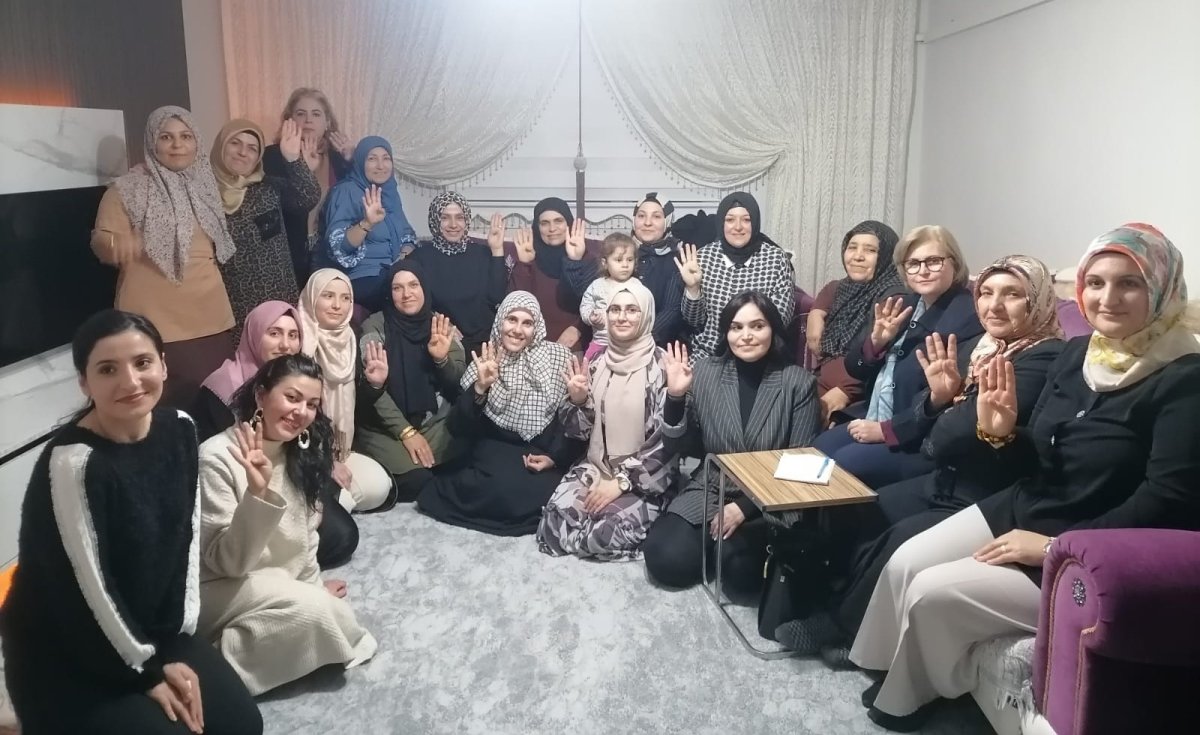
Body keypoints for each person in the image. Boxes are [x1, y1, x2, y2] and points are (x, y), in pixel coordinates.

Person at [849, 224, 1200, 732]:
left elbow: (1168, 499)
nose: (1107, 298)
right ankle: (880, 665)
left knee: (930, 590)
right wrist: (1001, 434)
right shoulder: (1080, 354)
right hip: (1025, 501)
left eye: (1129, 283)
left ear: (1162, 289)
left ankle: (906, 700)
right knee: (905, 560)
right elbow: (1036, 451)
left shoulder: (1184, 378)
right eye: (1096, 282)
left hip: (1083, 541)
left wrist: (1056, 547)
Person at [775, 255, 1064, 658]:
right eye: (986, 293)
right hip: (949, 472)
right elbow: (929, 405)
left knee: (898, 536)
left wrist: (941, 413)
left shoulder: (1045, 356)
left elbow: (954, 431)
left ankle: (844, 629)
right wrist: (939, 402)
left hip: (987, 491)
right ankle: (841, 598)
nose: (995, 305)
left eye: (1012, 294)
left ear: (1038, 300)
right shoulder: (983, 347)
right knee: (862, 507)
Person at [0, 309, 262, 734]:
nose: (130, 381)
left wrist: (176, 640)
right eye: (107, 369)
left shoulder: (180, 429)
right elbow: (85, 591)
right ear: (84, 382)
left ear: (163, 365)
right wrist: (145, 673)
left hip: (148, 629)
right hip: (65, 650)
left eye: (142, 363)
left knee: (241, 725)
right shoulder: (75, 463)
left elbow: (184, 542)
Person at [198, 354, 378, 696]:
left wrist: (312, 587)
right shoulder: (217, 456)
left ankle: (234, 646)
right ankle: (209, 675)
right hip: (221, 587)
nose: (301, 412)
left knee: (327, 611)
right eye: (292, 398)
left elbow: (305, 540)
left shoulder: (299, 452)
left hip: (275, 583)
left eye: (311, 404)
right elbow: (226, 564)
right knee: (319, 614)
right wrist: (258, 494)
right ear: (261, 395)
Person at [642, 291, 821, 599]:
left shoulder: (798, 382)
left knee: (739, 574)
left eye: (757, 326)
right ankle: (714, 544)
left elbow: (799, 464)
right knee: (665, 559)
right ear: (726, 333)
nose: (746, 336)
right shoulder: (706, 372)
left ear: (773, 330)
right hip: (714, 484)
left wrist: (744, 508)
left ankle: (727, 546)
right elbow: (678, 446)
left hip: (771, 496)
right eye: (736, 327)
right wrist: (675, 397)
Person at [812, 225, 983, 489]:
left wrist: (887, 430)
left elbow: (944, 398)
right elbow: (854, 367)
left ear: (955, 263)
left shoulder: (966, 317)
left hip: (918, 434)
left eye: (934, 261)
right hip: (877, 412)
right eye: (913, 263)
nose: (923, 271)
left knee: (845, 464)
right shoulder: (906, 303)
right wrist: (876, 343)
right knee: (819, 446)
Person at [193, 300, 359, 568]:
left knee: (343, 533)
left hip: (291, 474)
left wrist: (321, 474)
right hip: (241, 491)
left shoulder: (301, 378)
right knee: (337, 536)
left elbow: (311, 440)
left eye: (293, 335)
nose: (285, 345)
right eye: (274, 333)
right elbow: (214, 467)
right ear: (254, 335)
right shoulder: (219, 389)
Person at [90, 105, 237, 409]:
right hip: (153, 320)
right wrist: (117, 244)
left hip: (210, 316)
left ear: (197, 142)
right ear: (151, 141)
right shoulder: (126, 189)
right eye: (166, 137)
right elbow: (101, 240)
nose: (177, 144)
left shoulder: (206, 185)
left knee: (215, 406)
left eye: (186, 136)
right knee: (163, 410)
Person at [415, 291, 580, 536]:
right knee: (500, 488)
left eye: (527, 323)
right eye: (511, 319)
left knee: (553, 491)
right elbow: (459, 426)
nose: (518, 330)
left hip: (541, 450)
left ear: (537, 328)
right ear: (500, 321)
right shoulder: (485, 357)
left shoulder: (558, 357)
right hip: (495, 447)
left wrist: (554, 458)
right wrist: (480, 388)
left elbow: (566, 420)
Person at [537, 281, 676, 560]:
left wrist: (621, 483)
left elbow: (666, 443)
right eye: (615, 309)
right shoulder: (597, 361)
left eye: (632, 310)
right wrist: (578, 401)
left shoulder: (663, 367)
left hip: (642, 479)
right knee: (553, 529)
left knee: (602, 535)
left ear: (646, 314)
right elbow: (578, 433)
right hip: (595, 467)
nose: (621, 317)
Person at [356, 261, 468, 501]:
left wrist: (441, 360)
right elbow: (374, 389)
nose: (407, 294)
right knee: (418, 481)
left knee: (468, 461)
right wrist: (406, 432)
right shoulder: (374, 327)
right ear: (389, 293)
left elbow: (459, 382)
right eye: (397, 288)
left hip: (434, 421)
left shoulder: (441, 325)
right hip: (386, 427)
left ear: (424, 288)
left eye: (413, 285)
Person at [212, 117, 319, 343]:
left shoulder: (268, 188)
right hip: (235, 307)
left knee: (284, 361)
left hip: (279, 301)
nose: (243, 152)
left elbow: (308, 197)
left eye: (252, 148)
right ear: (221, 146)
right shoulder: (203, 195)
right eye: (235, 143)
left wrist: (293, 159)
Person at [298, 269, 394, 512]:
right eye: (328, 296)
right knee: (337, 505)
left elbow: (359, 409)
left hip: (341, 449)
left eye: (345, 298)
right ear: (311, 298)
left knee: (379, 487)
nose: (337, 305)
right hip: (301, 451)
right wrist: (323, 462)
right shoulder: (297, 342)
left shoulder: (351, 339)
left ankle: (328, 502)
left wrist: (374, 385)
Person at [675, 191, 796, 361]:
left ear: (755, 222)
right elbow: (693, 321)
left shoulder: (776, 259)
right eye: (730, 220)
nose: (738, 227)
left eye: (746, 220)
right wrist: (692, 288)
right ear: (721, 223)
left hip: (760, 356)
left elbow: (780, 320)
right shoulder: (704, 257)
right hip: (709, 356)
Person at [807, 221, 906, 422]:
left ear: (887, 256)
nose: (857, 256)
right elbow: (825, 297)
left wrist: (847, 390)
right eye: (852, 247)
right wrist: (814, 315)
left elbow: (878, 356)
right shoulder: (840, 288)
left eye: (870, 250)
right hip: (822, 381)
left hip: (860, 394)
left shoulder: (894, 297)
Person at [563, 192, 687, 346]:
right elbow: (585, 292)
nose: (647, 222)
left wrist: (637, 339)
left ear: (667, 222)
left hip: (649, 344)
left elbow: (671, 311)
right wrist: (575, 259)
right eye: (641, 216)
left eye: (656, 216)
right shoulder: (619, 249)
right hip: (606, 344)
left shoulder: (676, 260)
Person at [262, 87, 355, 285]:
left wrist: (352, 161)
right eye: (301, 113)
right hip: (287, 255)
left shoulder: (339, 160)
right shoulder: (271, 156)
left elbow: (357, 203)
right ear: (289, 120)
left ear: (327, 122)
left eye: (316, 114)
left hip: (329, 252)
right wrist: (297, 164)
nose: (308, 120)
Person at [318, 136, 417, 311]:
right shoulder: (346, 191)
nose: (380, 165)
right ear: (360, 162)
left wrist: (403, 258)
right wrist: (367, 223)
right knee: (400, 294)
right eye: (372, 159)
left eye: (386, 158)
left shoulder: (390, 193)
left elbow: (407, 235)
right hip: (364, 278)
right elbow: (337, 246)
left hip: (393, 272)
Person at [407, 192, 509, 358]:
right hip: (444, 344)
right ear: (435, 220)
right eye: (445, 218)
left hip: (485, 345)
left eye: (459, 217)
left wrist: (497, 250)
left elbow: (497, 297)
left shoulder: (483, 253)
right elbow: (407, 302)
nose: (453, 224)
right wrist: (434, 320)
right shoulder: (419, 259)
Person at [509, 196, 591, 350]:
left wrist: (578, 328)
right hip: (534, 345)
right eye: (544, 223)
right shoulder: (529, 256)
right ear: (537, 227)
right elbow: (517, 304)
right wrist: (525, 264)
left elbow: (597, 304)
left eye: (558, 221)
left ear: (568, 223)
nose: (552, 228)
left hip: (576, 344)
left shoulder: (586, 257)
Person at [578, 232, 643, 360]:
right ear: (605, 262)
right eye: (619, 260)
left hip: (629, 345)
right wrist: (591, 316)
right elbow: (585, 306)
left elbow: (645, 311)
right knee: (589, 369)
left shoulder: (637, 285)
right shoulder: (596, 285)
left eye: (629, 260)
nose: (625, 265)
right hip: (601, 342)